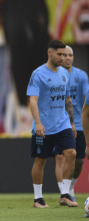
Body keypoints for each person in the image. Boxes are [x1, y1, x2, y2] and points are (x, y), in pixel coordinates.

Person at [26, 39, 77, 208]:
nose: (63, 58)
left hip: (62, 124)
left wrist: (72, 123)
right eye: (60, 54)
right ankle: (38, 198)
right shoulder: (38, 74)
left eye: (65, 54)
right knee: (40, 160)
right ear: (50, 53)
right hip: (44, 127)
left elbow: (67, 99)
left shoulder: (64, 74)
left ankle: (65, 194)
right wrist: (38, 123)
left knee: (71, 154)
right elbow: (33, 100)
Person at [54, 46, 89, 202]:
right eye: (64, 55)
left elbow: (86, 94)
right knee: (61, 158)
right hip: (58, 124)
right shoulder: (52, 75)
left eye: (70, 55)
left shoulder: (81, 76)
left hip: (79, 125)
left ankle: (69, 187)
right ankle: (64, 193)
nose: (68, 58)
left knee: (79, 160)